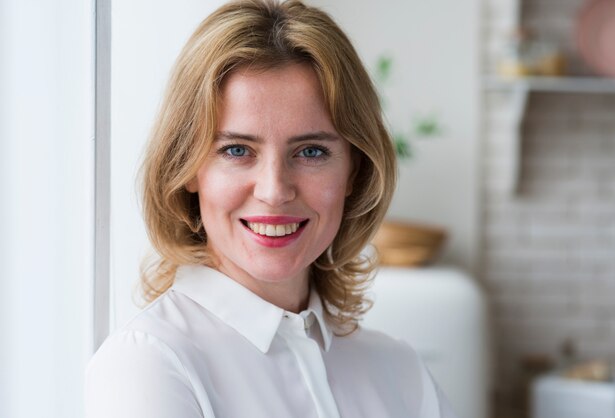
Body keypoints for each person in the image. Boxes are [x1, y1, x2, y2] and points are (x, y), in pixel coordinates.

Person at [85, 1, 457, 417]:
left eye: (311, 151)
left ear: (355, 168)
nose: (274, 190)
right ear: (187, 167)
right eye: (237, 150)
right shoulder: (149, 365)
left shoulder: (401, 373)